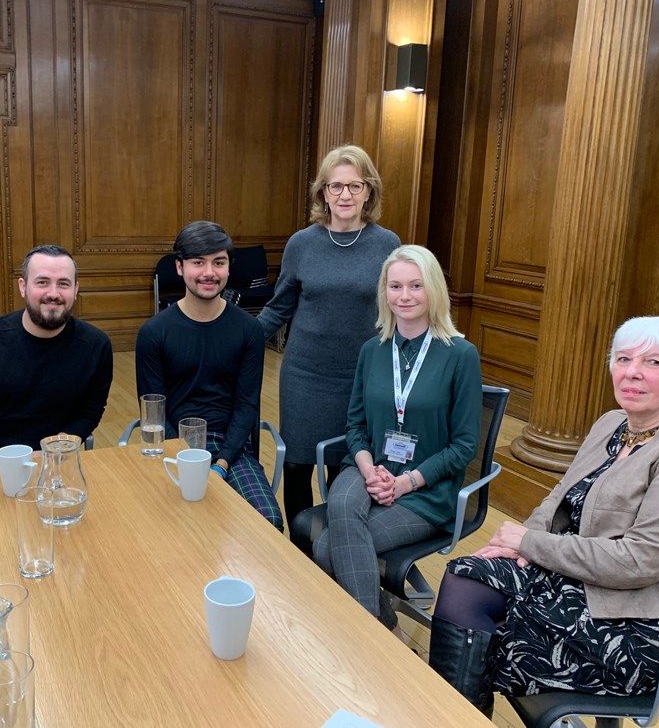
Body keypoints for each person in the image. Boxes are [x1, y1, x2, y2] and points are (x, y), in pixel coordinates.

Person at [428, 316, 659, 715]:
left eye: (654, 363)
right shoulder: (613, 424)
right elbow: (558, 498)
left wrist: (530, 544)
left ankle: (449, 716)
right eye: (623, 359)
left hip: (648, 623)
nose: (633, 373)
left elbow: (638, 562)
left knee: (481, 632)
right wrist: (516, 544)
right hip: (585, 584)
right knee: (466, 576)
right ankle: (452, 718)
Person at [312, 245, 482, 634]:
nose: (404, 296)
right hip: (369, 465)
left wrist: (405, 482)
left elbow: (464, 446)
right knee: (341, 504)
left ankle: (379, 633)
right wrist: (371, 470)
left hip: (427, 489)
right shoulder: (373, 350)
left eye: (416, 286)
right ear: (384, 292)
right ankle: (384, 636)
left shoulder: (460, 355)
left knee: (327, 547)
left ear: (433, 290)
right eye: (395, 286)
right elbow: (355, 425)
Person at [256, 144, 400, 535]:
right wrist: (240, 339)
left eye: (355, 186)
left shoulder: (388, 245)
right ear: (322, 193)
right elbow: (279, 306)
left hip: (362, 378)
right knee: (298, 465)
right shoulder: (302, 243)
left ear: (369, 191)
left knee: (347, 466)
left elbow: (402, 308)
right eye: (335, 187)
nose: (345, 196)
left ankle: (338, 544)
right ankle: (301, 546)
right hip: (305, 375)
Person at [136, 221, 283, 530]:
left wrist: (221, 464)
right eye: (197, 262)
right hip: (175, 447)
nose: (208, 272)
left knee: (266, 522)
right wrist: (187, 459)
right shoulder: (154, 332)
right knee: (160, 527)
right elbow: (154, 410)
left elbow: (247, 405)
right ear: (179, 266)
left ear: (229, 267)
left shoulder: (249, 330)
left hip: (232, 450)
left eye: (219, 262)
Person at [0, 245, 113, 463]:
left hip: (55, 463)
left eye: (64, 284)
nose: (53, 294)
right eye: (42, 282)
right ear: (23, 287)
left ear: (76, 289)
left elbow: (90, 411)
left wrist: (55, 451)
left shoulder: (96, 345)